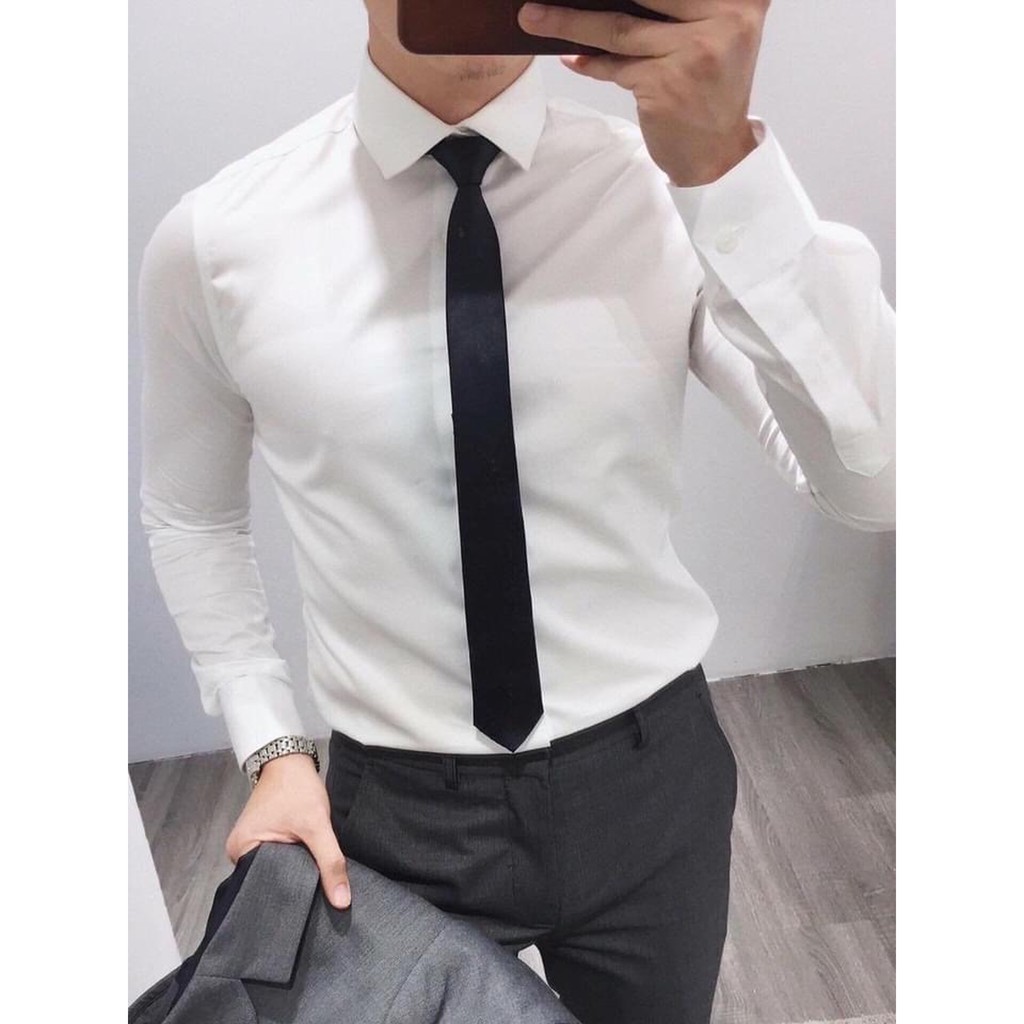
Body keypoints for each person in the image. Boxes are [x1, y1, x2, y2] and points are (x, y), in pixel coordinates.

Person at [136, 2, 895, 1022]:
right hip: (391, 820)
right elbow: (192, 516)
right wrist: (270, 745)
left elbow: (876, 483)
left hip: (650, 783)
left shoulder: (663, 189)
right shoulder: (218, 238)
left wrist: (728, 172)